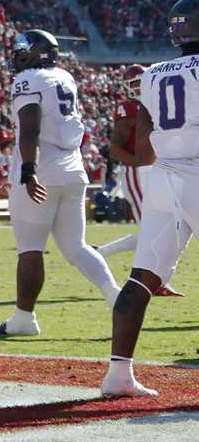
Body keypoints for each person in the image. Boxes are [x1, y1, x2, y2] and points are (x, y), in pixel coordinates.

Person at [0, 30, 119, 337]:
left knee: (30, 249)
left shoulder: (28, 80)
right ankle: (115, 294)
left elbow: (30, 129)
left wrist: (28, 171)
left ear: (34, 53)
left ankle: (24, 319)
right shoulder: (64, 76)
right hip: (73, 168)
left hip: (43, 168)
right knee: (76, 246)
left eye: (21, 50)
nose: (16, 56)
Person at [100, 0, 199, 398]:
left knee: (141, 278)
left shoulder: (154, 73)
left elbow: (143, 144)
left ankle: (118, 374)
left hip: (161, 175)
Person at [95, 65, 181, 296]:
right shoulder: (128, 108)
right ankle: (151, 280)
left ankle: (102, 253)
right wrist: (138, 164)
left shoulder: (158, 101)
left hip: (158, 168)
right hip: (137, 170)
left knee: (164, 227)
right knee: (151, 230)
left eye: (140, 82)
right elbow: (115, 147)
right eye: (133, 83)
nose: (137, 87)